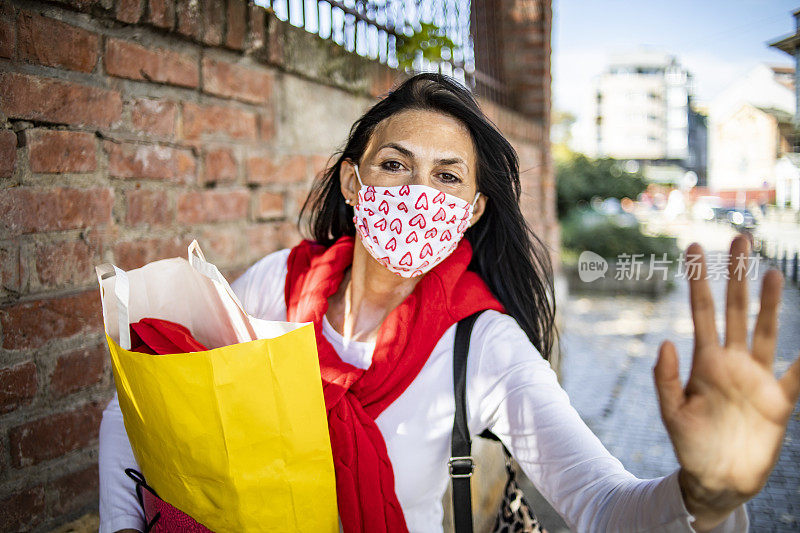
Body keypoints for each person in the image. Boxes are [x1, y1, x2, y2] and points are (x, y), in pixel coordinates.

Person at [98, 73, 800, 532]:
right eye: (394, 164)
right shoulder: (272, 289)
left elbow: (601, 502)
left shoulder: (484, 345)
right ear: (352, 181)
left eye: (446, 177)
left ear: (471, 210)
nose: (416, 193)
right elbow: (136, 409)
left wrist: (703, 495)